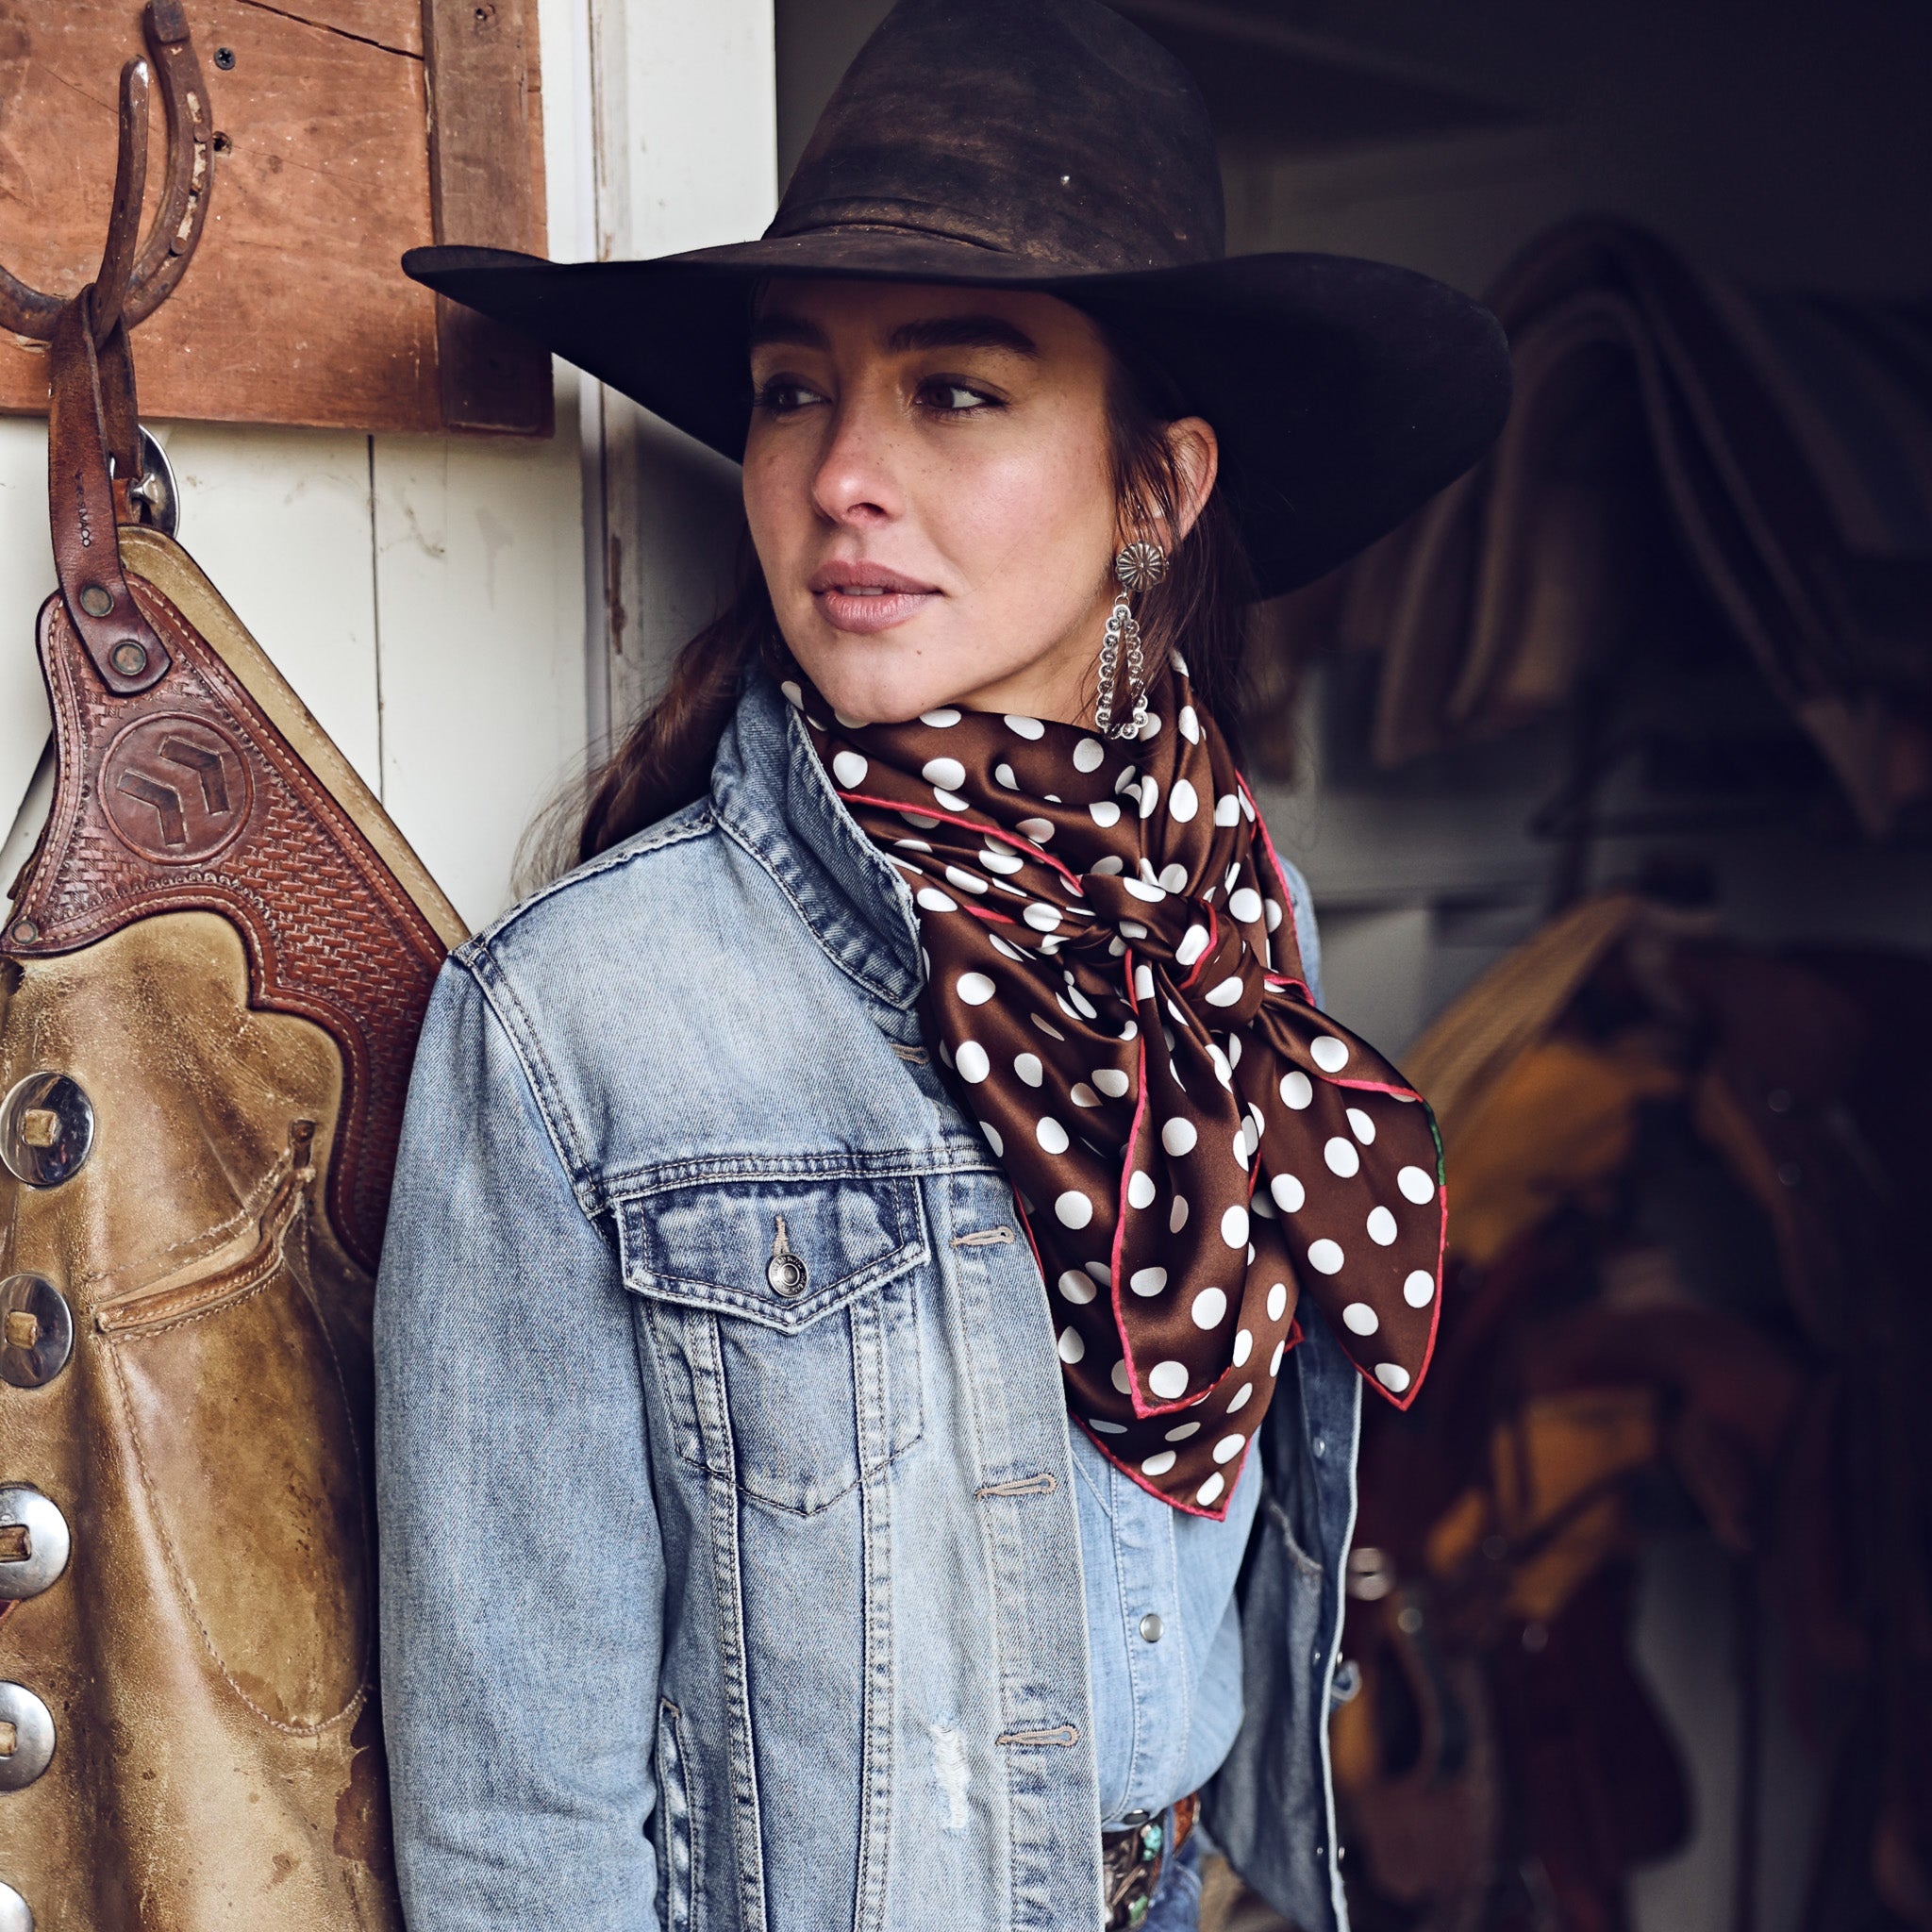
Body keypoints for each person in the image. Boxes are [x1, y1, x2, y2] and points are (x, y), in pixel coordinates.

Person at [375, 3, 1508, 1927]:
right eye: (792, 390)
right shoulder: (584, 1025)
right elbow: (517, 1827)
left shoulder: (1245, 936)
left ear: (1154, 492)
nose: (841, 477)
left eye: (955, 391)